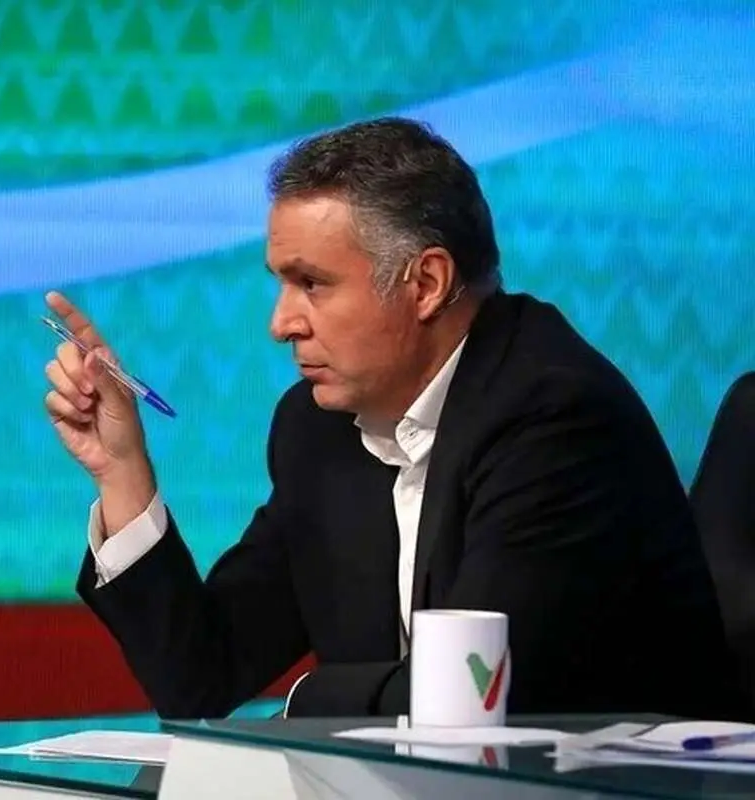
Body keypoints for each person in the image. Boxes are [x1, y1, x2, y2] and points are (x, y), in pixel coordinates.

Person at [41, 117, 745, 721]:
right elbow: (201, 676)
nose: (281, 324)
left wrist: (304, 703)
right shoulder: (318, 429)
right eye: (281, 283)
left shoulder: (554, 418)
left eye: (312, 284)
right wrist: (122, 471)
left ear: (426, 283)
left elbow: (472, 699)